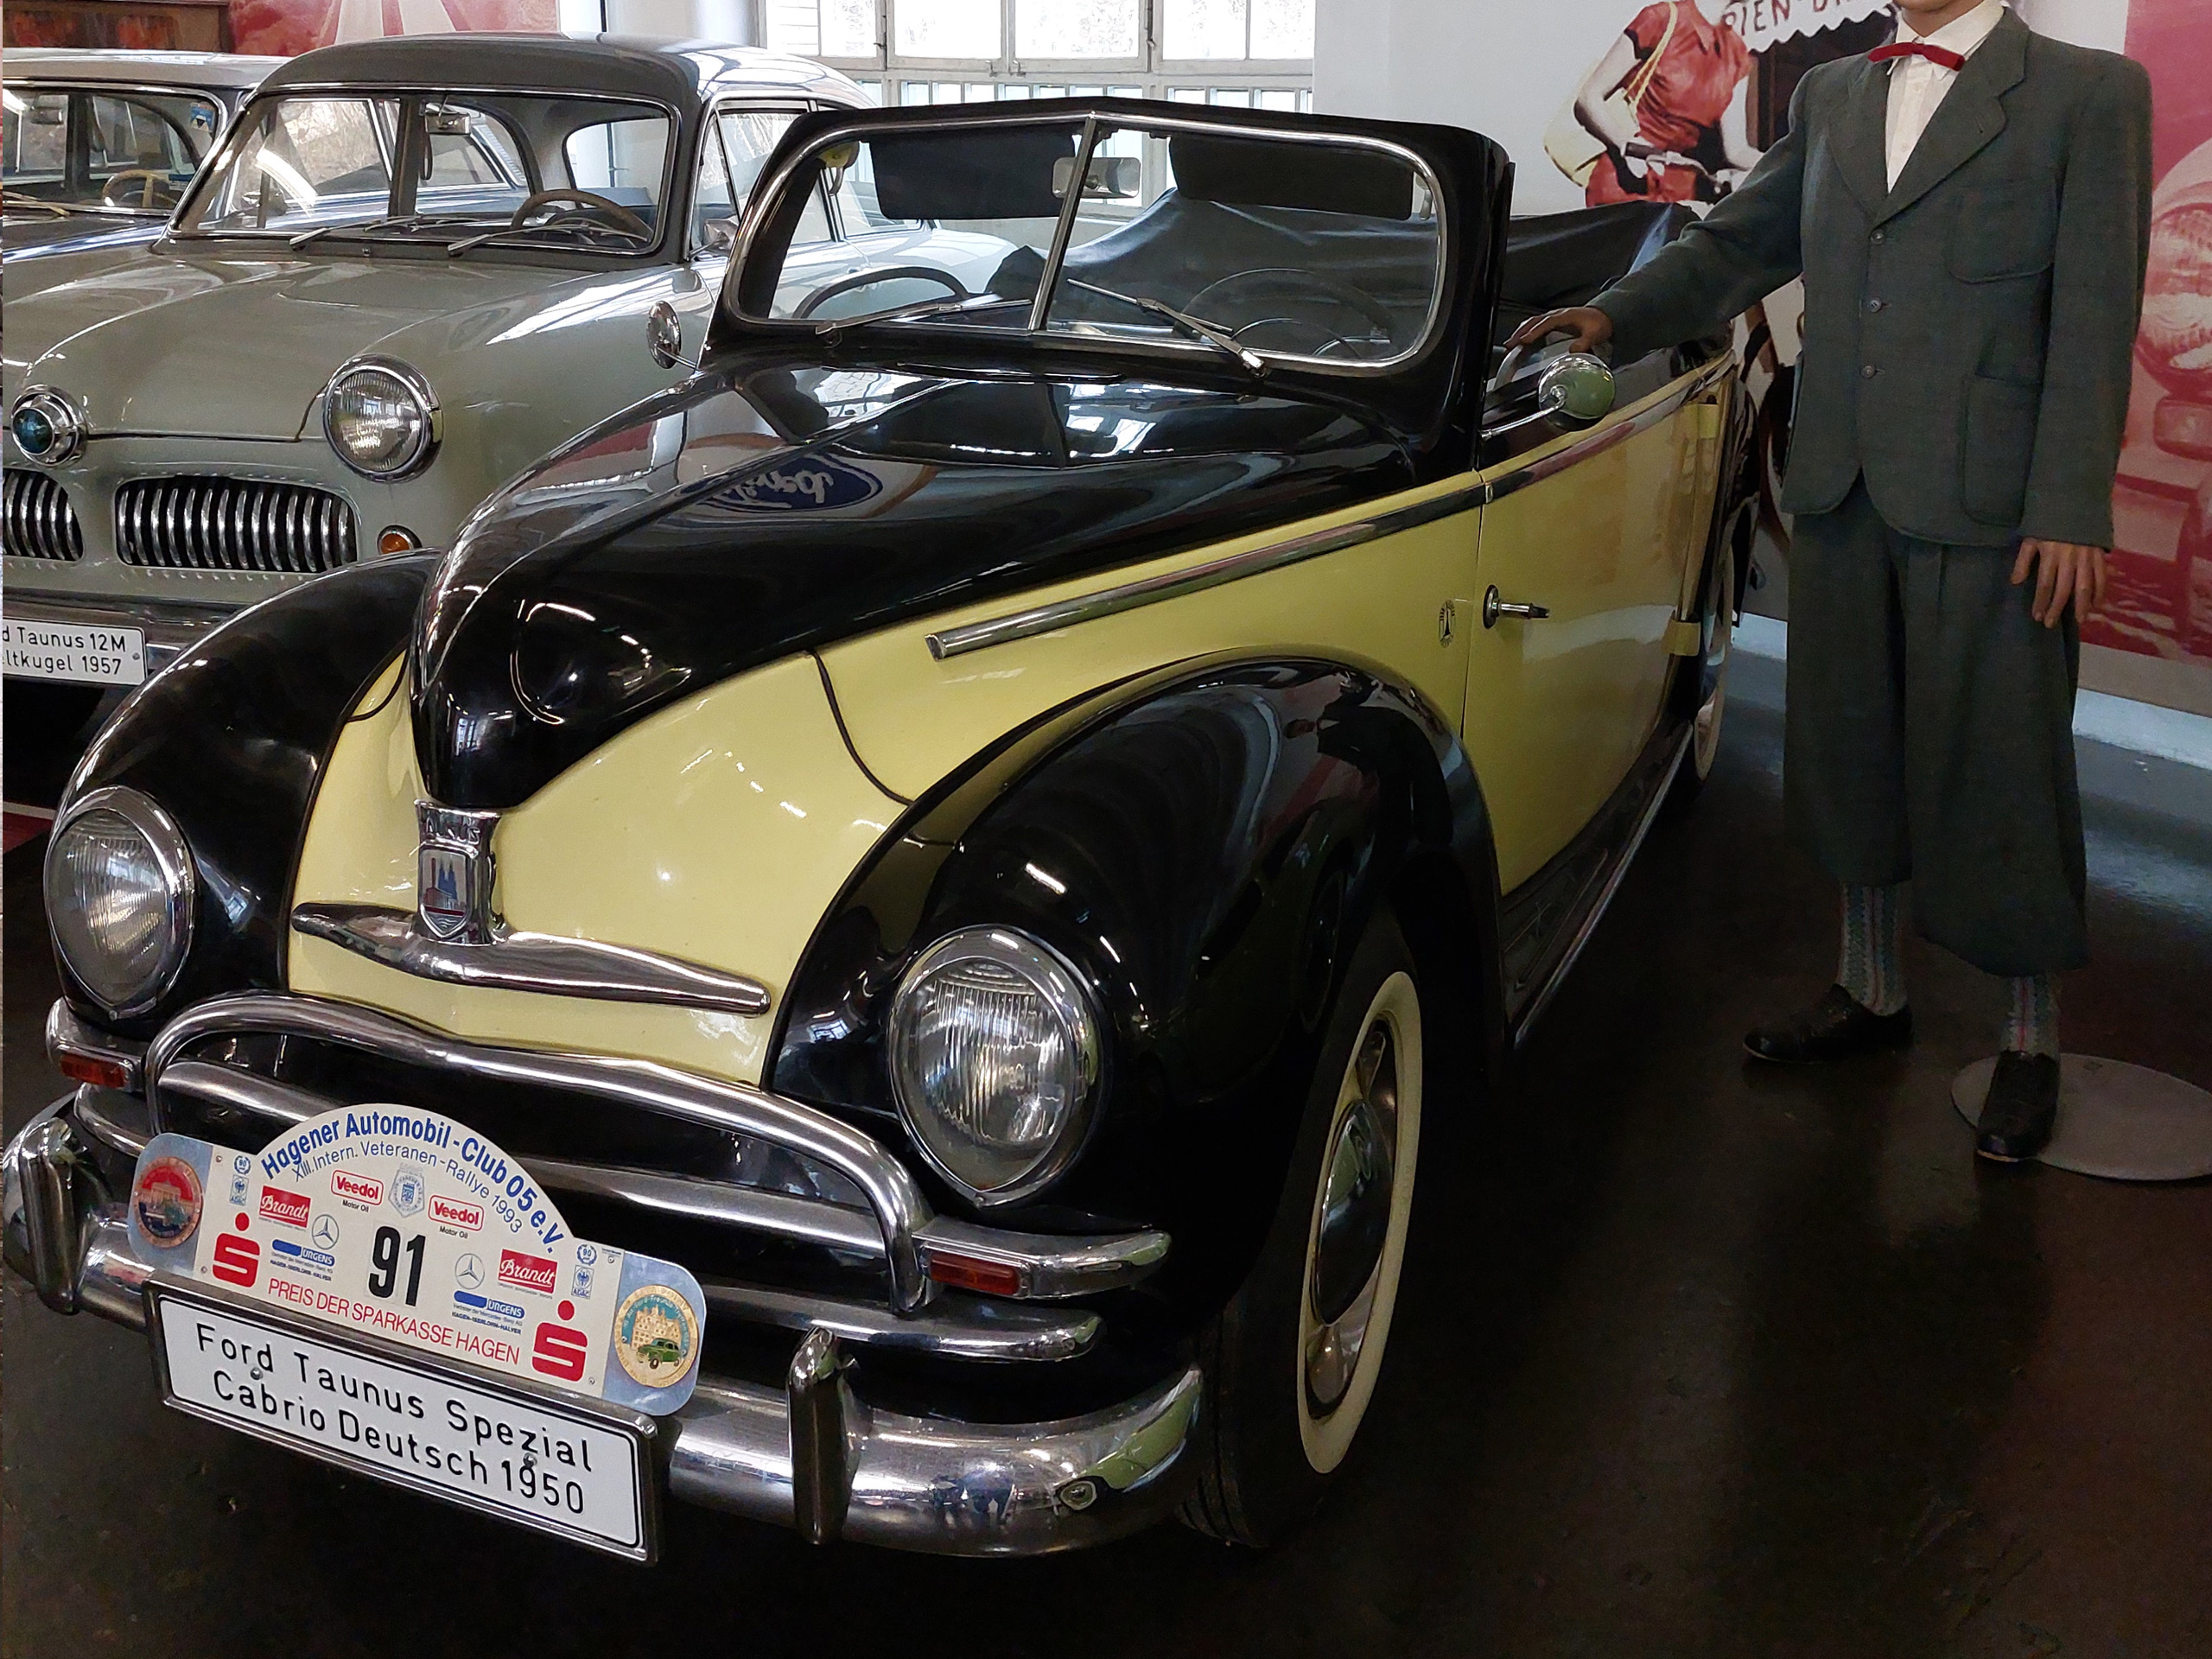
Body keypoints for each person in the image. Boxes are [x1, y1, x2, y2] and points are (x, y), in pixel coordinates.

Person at [1512, 0, 2153, 1163]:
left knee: (2001, 763)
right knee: (1848, 746)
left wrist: (2071, 503)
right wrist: (1612, 315)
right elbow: (1739, 242)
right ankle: (1869, 990)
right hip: (1846, 479)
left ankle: (2027, 1041)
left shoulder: (2086, 94)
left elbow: (2099, 306)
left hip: (1996, 499)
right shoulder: (1835, 92)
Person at [1574, 1, 1763, 206]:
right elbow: (1588, 98)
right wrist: (1627, 144)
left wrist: (1789, 161)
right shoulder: (1661, 19)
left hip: (1681, 198)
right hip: (1627, 185)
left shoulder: (1737, 54)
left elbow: (1736, 151)